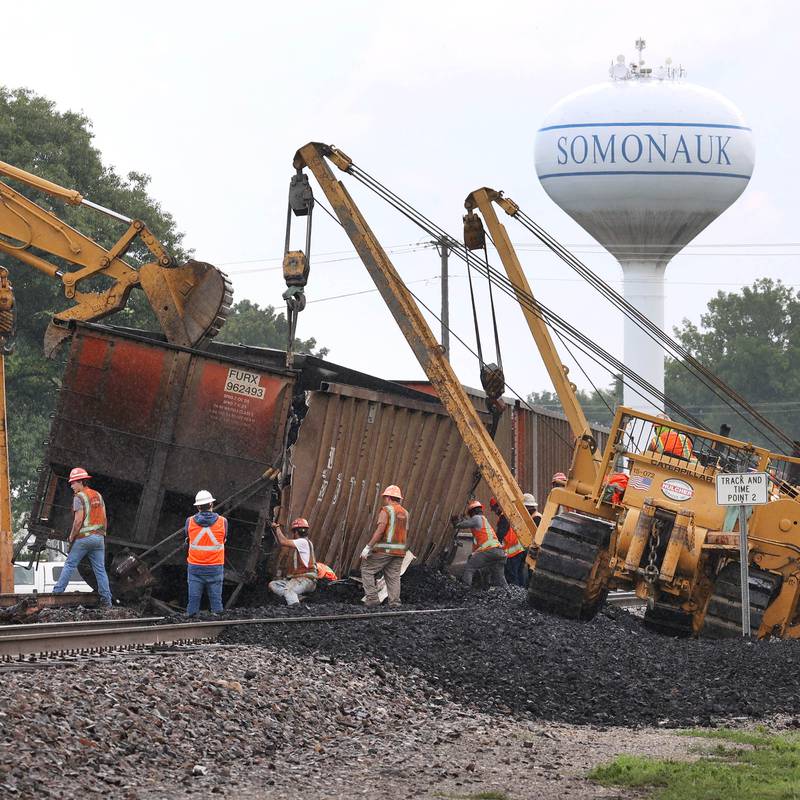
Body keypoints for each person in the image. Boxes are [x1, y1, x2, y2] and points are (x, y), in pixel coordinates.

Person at [52, 467, 112, 608]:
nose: (71, 486)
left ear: (80, 482)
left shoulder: (79, 497)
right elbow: (104, 517)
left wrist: (71, 536)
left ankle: (57, 594)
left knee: (69, 564)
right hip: (99, 538)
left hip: (84, 538)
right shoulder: (98, 495)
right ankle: (107, 600)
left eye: (73, 483)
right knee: (100, 570)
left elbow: (78, 521)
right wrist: (102, 534)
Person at [360, 484, 408, 607]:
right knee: (393, 577)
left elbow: (380, 530)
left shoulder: (386, 510)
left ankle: (372, 598)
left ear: (388, 497)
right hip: (400, 551)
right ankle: (395, 602)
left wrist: (368, 547)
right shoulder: (405, 513)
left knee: (366, 568)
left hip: (385, 550)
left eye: (385, 497)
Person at [185, 489, 227, 616]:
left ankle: (190, 622)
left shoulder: (189, 521)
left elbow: (188, 538)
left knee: (193, 601)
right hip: (215, 567)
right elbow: (224, 538)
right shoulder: (223, 522)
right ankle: (216, 620)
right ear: (211, 504)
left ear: (198, 506)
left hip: (195, 567)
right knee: (216, 602)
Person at [454, 499, 507, 589]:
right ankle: (507, 594)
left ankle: (465, 589)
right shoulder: (483, 520)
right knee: (499, 577)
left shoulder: (476, 518)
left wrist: (456, 523)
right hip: (500, 552)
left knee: (470, 567)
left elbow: (462, 525)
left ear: (472, 512)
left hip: (490, 550)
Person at [268, 518, 318, 606]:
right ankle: (297, 598)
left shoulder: (302, 542)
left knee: (289, 590)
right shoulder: (306, 542)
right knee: (273, 584)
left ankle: (295, 609)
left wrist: (277, 528)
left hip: (306, 580)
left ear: (295, 532)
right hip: (303, 579)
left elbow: (283, 541)